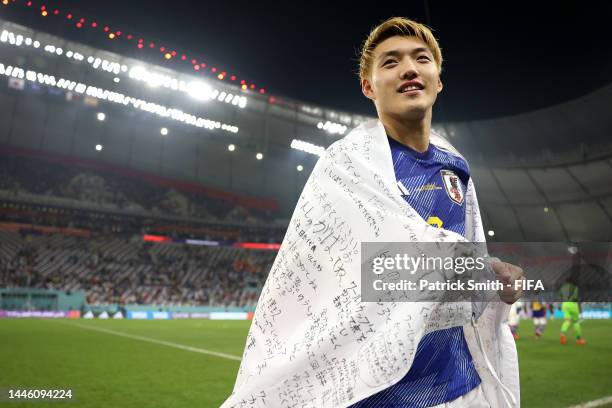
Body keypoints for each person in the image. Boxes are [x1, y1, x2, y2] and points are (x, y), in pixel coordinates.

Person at [221, 17, 522, 408]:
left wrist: (493, 276)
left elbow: (470, 256)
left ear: (438, 79)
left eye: (421, 59)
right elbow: (372, 267)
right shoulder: (346, 166)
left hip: (460, 384)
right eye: (391, 62)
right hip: (380, 393)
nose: (410, 68)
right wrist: (476, 270)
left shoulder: (456, 167)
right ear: (368, 86)